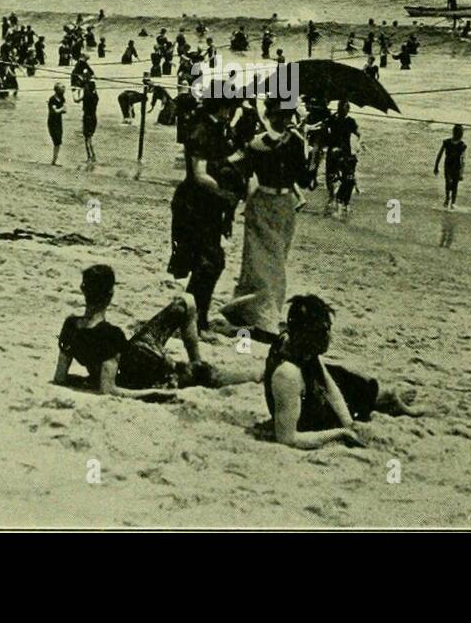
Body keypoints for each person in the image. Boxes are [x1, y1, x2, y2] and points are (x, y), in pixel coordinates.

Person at [53, 265, 257, 399]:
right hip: (145, 372)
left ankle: (198, 361)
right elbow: (110, 390)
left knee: (185, 302)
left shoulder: (70, 325)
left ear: (83, 290)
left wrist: (88, 378)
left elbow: (61, 377)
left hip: (136, 355)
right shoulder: (109, 334)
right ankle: (254, 374)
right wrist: (155, 394)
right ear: (110, 295)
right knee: (204, 374)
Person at [266, 295, 423, 449]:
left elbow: (329, 386)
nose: (329, 337)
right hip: (308, 412)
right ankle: (386, 399)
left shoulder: (300, 346)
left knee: (350, 380)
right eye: (323, 331)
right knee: (359, 395)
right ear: (306, 334)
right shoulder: (287, 374)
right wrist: (341, 434)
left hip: (309, 393)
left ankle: (381, 398)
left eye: (328, 329)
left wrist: (349, 424)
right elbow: (287, 439)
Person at [214, 99, 308, 337]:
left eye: (287, 115)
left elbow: (304, 178)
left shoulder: (293, 142)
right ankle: (259, 313)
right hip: (264, 202)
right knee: (262, 261)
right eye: (280, 115)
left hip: (283, 204)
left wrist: (307, 153)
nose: (284, 120)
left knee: (277, 258)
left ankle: (263, 310)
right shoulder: (259, 143)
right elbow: (237, 169)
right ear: (270, 116)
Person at [169, 95, 242, 333]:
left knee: (208, 263)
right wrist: (224, 194)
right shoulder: (202, 129)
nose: (231, 111)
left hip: (207, 206)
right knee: (208, 263)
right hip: (194, 205)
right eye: (230, 106)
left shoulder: (219, 129)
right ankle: (192, 318)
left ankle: (193, 317)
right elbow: (199, 174)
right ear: (222, 106)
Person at [323, 100, 360, 218]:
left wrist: (358, 144)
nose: (343, 111)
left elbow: (359, 133)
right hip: (334, 151)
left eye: (345, 109)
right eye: (341, 109)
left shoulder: (349, 121)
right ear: (338, 109)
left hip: (344, 152)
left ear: (348, 110)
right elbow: (324, 129)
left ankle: (342, 202)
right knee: (331, 176)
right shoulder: (333, 119)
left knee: (347, 178)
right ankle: (333, 198)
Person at [434, 124, 466, 209]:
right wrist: (436, 166)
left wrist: (461, 172)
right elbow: (440, 154)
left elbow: (462, 160)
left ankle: (453, 203)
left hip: (457, 166)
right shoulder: (447, 142)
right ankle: (447, 198)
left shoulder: (462, 145)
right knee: (448, 183)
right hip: (448, 165)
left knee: (455, 185)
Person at [81, 76, 99, 164]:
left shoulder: (87, 96)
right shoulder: (95, 97)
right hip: (94, 117)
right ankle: (93, 156)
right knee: (90, 138)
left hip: (87, 117)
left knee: (87, 139)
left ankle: (89, 157)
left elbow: (78, 99)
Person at [47, 82, 66, 165]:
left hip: (58, 121)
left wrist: (62, 109)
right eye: (62, 89)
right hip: (52, 122)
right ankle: (55, 159)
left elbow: (63, 110)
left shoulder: (62, 98)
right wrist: (62, 109)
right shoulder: (53, 99)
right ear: (57, 90)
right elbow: (55, 111)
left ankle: (54, 159)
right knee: (56, 141)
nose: (63, 91)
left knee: (59, 140)